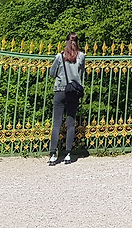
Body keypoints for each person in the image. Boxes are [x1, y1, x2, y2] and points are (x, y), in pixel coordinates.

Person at [47, 32, 84, 166]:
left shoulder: (59, 56)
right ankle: (68, 154)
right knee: (70, 123)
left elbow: (52, 73)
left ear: (65, 42)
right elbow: (81, 73)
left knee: (56, 123)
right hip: (73, 91)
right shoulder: (81, 56)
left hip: (60, 90)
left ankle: (53, 155)